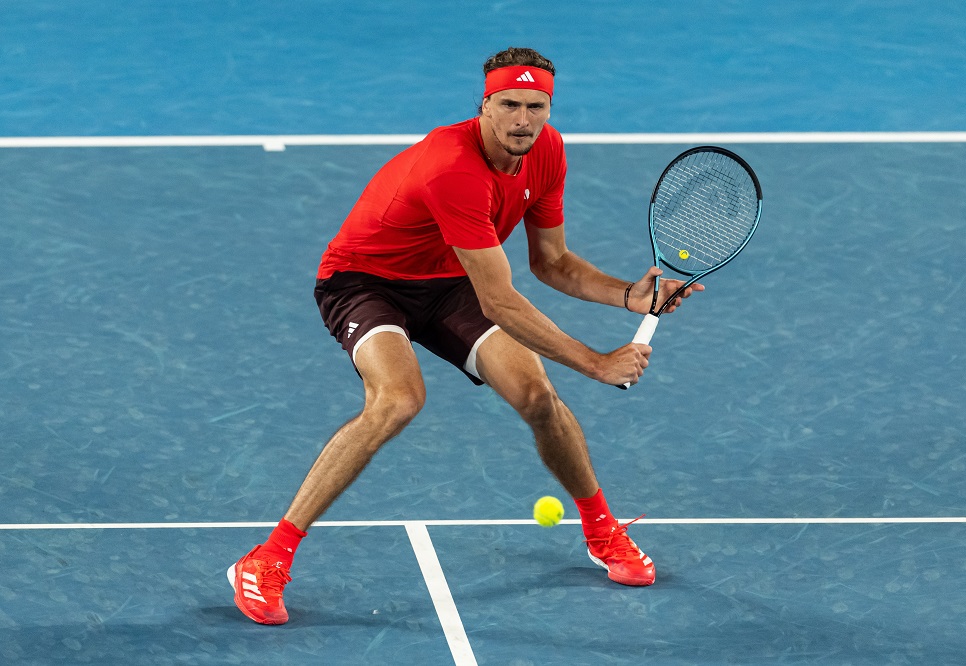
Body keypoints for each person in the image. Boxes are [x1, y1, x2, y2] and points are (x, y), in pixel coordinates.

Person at [228, 47, 703, 625]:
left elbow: (551, 262)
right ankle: (266, 558)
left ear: (549, 108)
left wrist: (626, 293)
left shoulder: (547, 153)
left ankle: (602, 530)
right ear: (483, 106)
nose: (523, 120)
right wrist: (597, 362)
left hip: (451, 278)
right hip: (367, 281)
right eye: (509, 105)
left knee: (537, 397)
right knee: (397, 401)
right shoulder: (451, 167)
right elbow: (499, 300)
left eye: (536, 106)